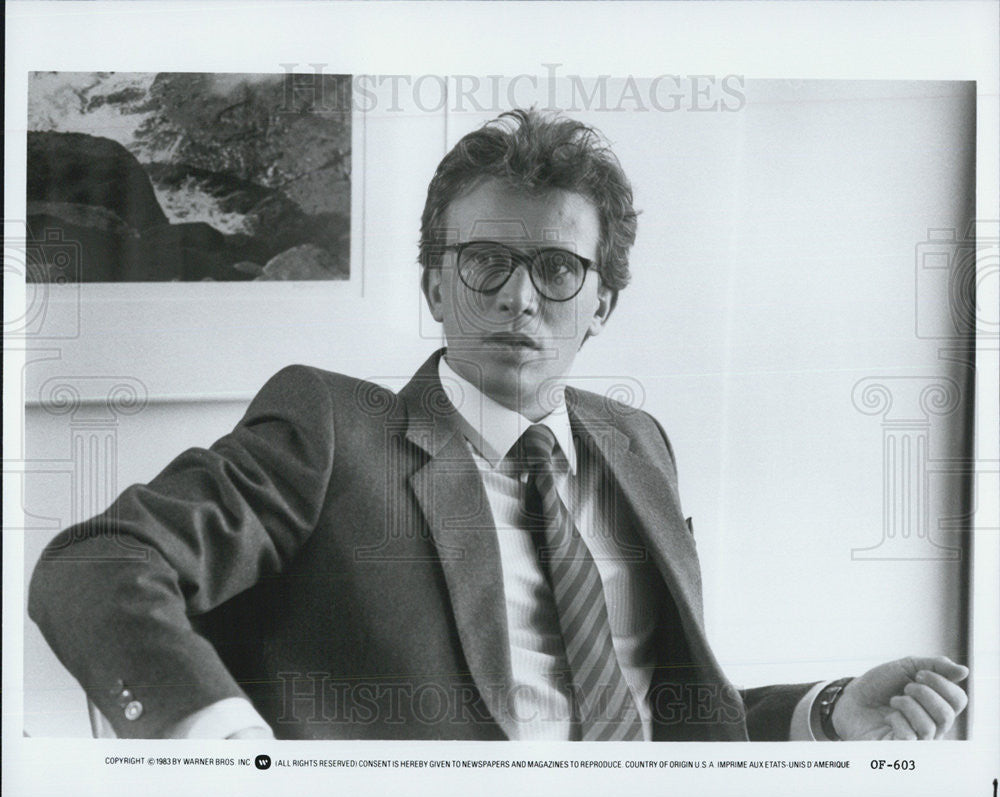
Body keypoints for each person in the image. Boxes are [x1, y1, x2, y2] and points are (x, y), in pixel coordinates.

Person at [29, 109, 969, 741]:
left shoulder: (638, 444)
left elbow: (659, 714)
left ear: (602, 304)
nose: (520, 298)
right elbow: (97, 565)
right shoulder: (328, 428)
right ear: (435, 282)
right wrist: (225, 752)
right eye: (484, 261)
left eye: (558, 268)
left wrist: (826, 710)